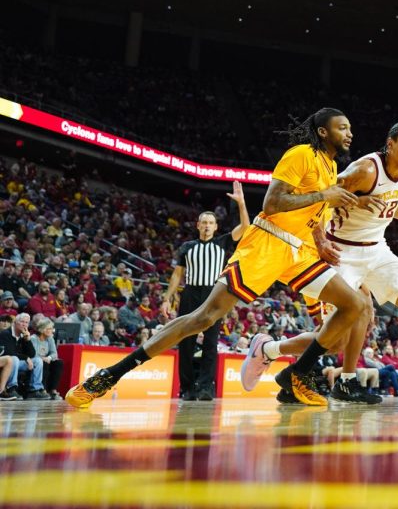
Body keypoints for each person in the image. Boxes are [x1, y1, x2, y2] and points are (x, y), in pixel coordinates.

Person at [65, 108, 371, 408]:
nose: (350, 133)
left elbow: (315, 215)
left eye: (349, 128)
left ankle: (298, 372)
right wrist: (323, 196)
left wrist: (320, 240)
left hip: (300, 252)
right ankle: (109, 375)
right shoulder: (301, 154)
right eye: (342, 127)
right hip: (268, 243)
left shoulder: (330, 167)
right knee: (204, 318)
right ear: (322, 132)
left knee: (354, 306)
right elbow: (273, 202)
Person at [241, 121, 398, 405]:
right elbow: (321, 199)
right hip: (339, 251)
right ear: (390, 144)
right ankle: (268, 349)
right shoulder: (364, 170)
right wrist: (324, 237)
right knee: (335, 340)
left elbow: (390, 204)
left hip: (376, 250)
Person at [161, 183, 249, 401]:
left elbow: (246, 228)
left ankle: (206, 387)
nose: (207, 226)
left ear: (216, 226)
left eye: (211, 223)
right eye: (204, 222)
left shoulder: (222, 241)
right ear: (198, 225)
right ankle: (187, 387)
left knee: (210, 342)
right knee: (186, 341)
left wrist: (241, 203)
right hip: (190, 293)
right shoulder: (186, 247)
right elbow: (176, 275)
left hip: (213, 294)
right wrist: (167, 298)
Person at [3, 313, 51, 399]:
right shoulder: (6, 333)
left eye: (26, 322)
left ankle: (34, 390)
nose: (24, 324)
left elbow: (32, 354)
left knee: (37, 360)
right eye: (22, 322)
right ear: (15, 322)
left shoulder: (23, 335)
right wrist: (26, 358)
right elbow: (8, 352)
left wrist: (28, 340)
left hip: (19, 363)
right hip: (7, 363)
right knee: (14, 359)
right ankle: (11, 388)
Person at [30, 317, 62, 397]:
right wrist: (44, 359)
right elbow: (33, 354)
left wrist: (49, 358)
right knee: (44, 363)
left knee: (59, 363)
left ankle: (53, 389)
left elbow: (54, 353)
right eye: (50, 329)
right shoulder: (33, 338)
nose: (52, 331)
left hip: (46, 359)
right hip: (36, 361)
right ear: (42, 329)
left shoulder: (50, 338)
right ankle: (43, 389)